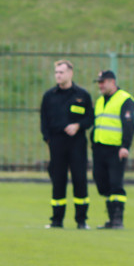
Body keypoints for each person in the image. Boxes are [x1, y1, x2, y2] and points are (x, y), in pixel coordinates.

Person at [40, 59, 93, 229]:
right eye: (56, 72)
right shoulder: (49, 96)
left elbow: (90, 118)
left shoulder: (82, 95)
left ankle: (81, 220)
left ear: (70, 73)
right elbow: (44, 120)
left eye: (61, 72)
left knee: (79, 180)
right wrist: (48, 138)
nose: (58, 75)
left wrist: (78, 126)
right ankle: (56, 220)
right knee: (58, 180)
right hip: (56, 143)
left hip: (76, 143)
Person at [92, 70, 134, 229]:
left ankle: (117, 219)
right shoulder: (99, 101)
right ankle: (111, 219)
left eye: (103, 82)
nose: (100, 85)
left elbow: (129, 125)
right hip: (99, 148)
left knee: (115, 183)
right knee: (101, 182)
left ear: (112, 82)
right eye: (99, 82)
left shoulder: (125, 99)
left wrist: (125, 146)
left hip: (116, 149)